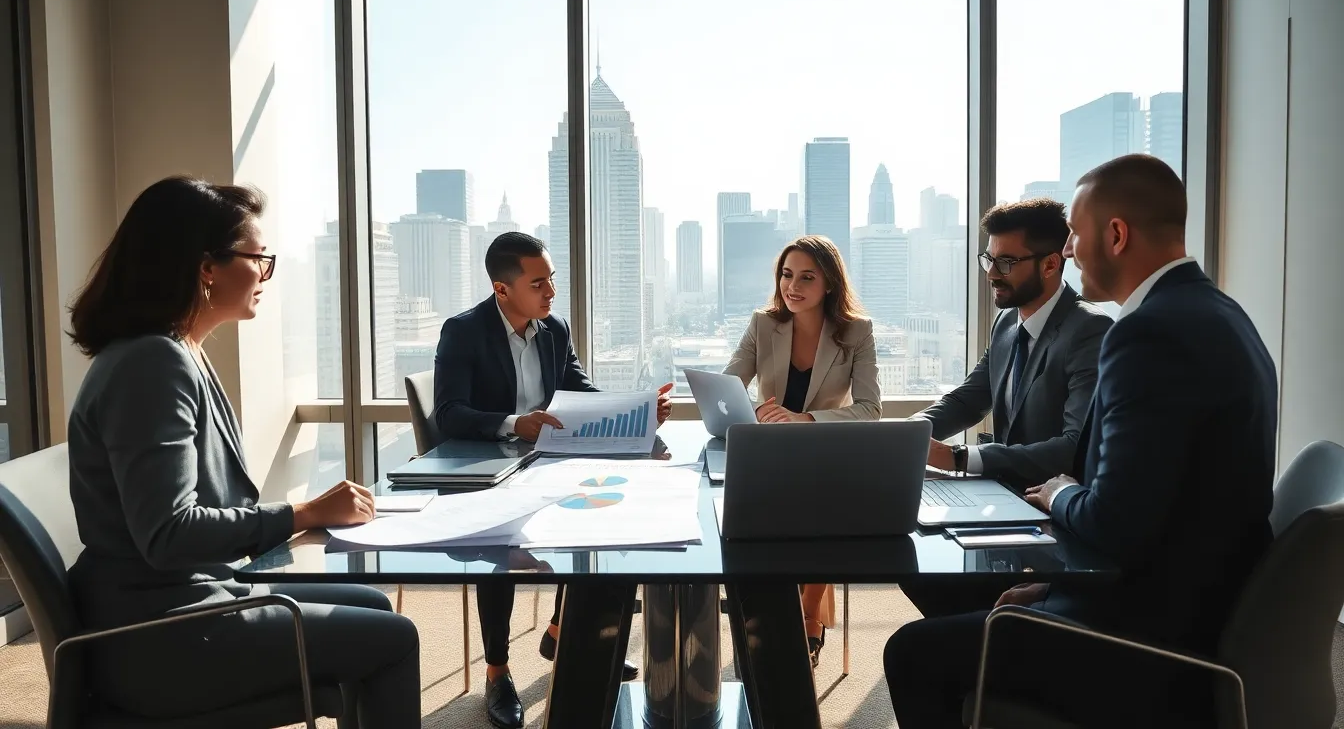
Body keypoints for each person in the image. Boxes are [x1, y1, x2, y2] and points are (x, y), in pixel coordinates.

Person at [884, 154, 1278, 728]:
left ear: (1115, 235)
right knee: (945, 595)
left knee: (912, 652)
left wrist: (1062, 493)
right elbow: (1159, 505)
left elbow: (1115, 520)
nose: (1068, 251)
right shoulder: (1220, 313)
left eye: (1074, 234)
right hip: (1184, 599)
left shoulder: (1146, 335)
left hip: (1146, 636)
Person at [64, 176, 420, 726]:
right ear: (207, 267)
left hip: (186, 600)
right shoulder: (151, 365)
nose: (264, 274)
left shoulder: (177, 352)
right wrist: (305, 513)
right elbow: (168, 534)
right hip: (159, 636)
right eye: (259, 258)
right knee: (394, 638)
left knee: (372, 607)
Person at [433, 231, 671, 729]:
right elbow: (449, 414)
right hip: (489, 469)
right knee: (497, 554)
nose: (550, 292)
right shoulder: (464, 331)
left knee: (599, 524)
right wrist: (511, 423)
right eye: (538, 283)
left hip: (549, 460)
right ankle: (497, 672)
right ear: (503, 290)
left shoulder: (554, 328)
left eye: (552, 280)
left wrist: (636, 409)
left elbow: (577, 387)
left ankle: (563, 630)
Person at [901, 198, 1111, 619]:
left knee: (931, 584)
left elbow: (1073, 447)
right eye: (989, 260)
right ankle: (978, 652)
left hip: (1056, 521)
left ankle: (993, 651)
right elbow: (970, 398)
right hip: (1006, 502)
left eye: (1006, 263)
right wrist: (909, 432)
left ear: (1051, 264)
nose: (992, 275)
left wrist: (961, 458)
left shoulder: (1088, 331)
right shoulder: (1008, 322)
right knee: (912, 557)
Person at [723, 234, 880, 667]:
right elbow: (729, 383)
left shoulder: (857, 331)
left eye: (807, 277)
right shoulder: (763, 323)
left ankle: (808, 613)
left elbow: (870, 409)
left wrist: (807, 419)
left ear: (829, 283)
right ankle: (773, 607)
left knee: (825, 504)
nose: (793, 285)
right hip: (770, 452)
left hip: (828, 452)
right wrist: (752, 408)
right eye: (787, 275)